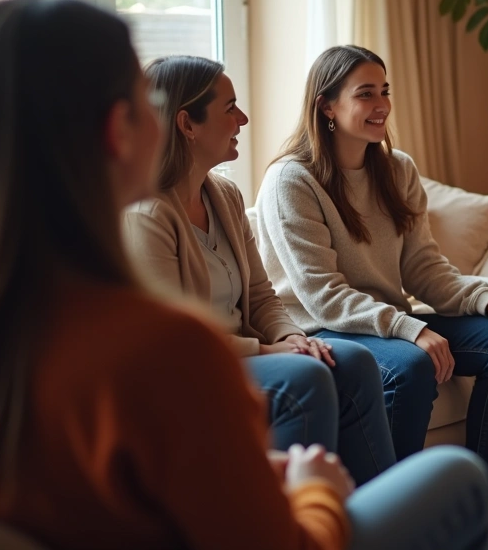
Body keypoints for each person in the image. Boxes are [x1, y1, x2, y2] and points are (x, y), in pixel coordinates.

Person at [0, 0, 488, 550]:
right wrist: (313, 492)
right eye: (147, 102)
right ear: (118, 129)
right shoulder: (169, 345)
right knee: (457, 477)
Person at [254, 44, 488, 550]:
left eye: (384, 91)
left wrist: (487, 300)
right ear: (326, 105)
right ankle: (406, 520)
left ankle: (475, 501)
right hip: (322, 327)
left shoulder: (397, 169)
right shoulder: (290, 179)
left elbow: (424, 268)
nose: (381, 104)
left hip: (385, 321)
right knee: (409, 367)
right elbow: (322, 295)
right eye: (365, 94)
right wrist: (411, 329)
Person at [124, 55, 395, 485]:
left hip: (248, 352)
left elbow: (260, 295)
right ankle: (289, 516)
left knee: (355, 362)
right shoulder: (147, 215)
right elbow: (175, 342)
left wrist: (289, 337)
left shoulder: (226, 196)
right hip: (195, 369)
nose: (243, 119)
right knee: (304, 376)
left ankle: (372, 510)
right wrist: (269, 352)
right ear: (187, 124)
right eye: (230, 108)